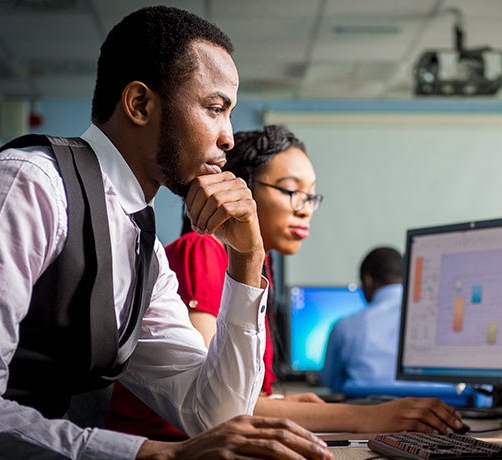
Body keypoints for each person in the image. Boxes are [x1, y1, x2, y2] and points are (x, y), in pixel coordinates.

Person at [0, 6, 332, 460]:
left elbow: (215, 416)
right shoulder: (28, 186)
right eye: (215, 109)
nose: (229, 139)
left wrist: (246, 260)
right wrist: (156, 454)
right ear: (140, 104)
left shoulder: (143, 248)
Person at [108, 126, 466, 436]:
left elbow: (241, 395)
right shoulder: (200, 250)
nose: (305, 207)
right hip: (172, 446)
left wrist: (278, 402)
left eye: (311, 196)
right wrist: (365, 416)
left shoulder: (259, 270)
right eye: (291, 190)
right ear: (240, 189)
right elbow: (213, 399)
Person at [320, 247, 404, 392]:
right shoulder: (433, 321)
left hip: (366, 410)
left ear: (367, 279)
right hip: (431, 410)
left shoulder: (344, 327)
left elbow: (329, 381)